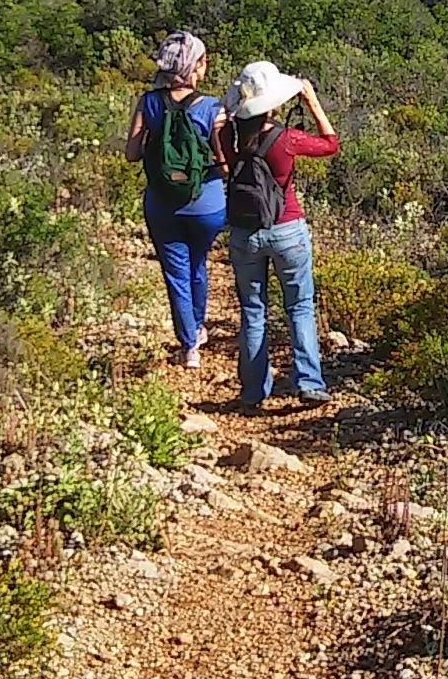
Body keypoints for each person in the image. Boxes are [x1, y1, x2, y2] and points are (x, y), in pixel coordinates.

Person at [219, 59, 339, 411]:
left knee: (253, 311)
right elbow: (330, 144)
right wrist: (312, 103)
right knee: (299, 306)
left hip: (244, 231)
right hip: (287, 228)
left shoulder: (229, 136)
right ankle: (309, 383)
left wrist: (231, 111)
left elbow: (224, 156)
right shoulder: (286, 140)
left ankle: (253, 391)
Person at [124, 31, 227, 370]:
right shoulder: (213, 107)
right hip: (207, 205)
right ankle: (198, 327)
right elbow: (224, 164)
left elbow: (132, 154)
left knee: (176, 274)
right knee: (198, 264)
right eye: (203, 60)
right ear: (193, 67)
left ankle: (189, 345)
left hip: (162, 204)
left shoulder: (148, 102)